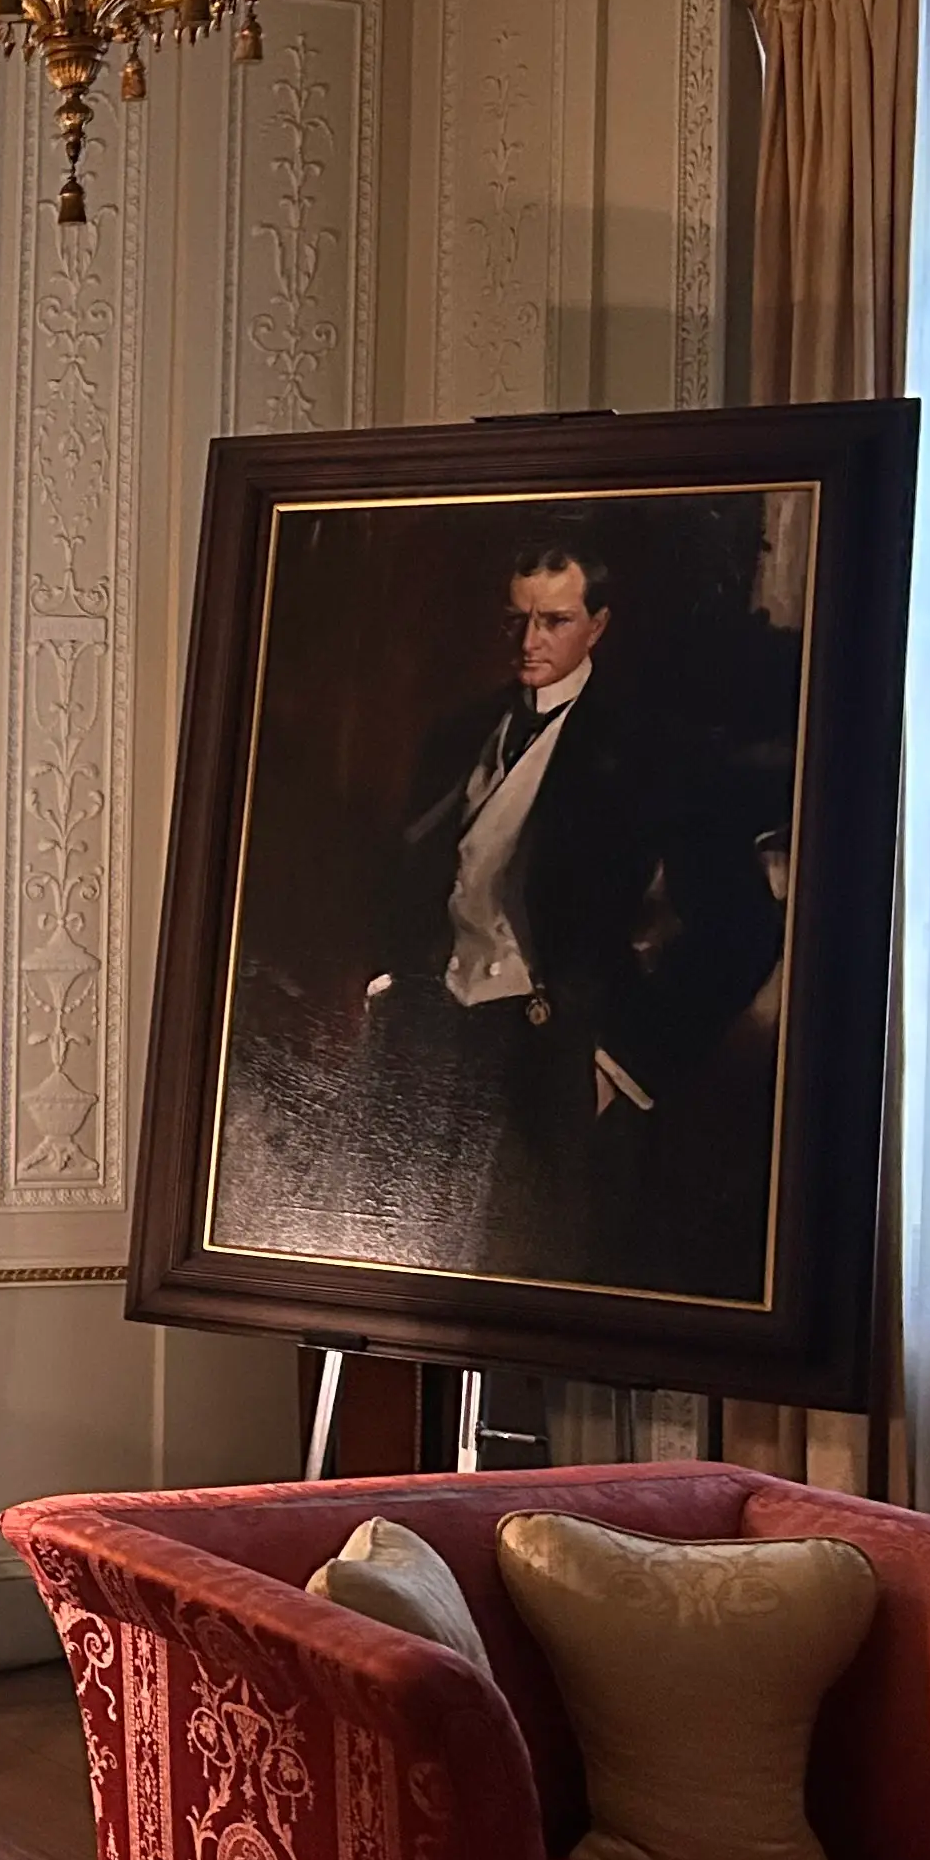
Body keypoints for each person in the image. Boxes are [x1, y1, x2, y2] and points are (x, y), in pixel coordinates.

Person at [356, 533, 784, 1295]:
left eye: (553, 620)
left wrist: (620, 1064)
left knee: (539, 1278)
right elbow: (415, 877)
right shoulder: (459, 734)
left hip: (560, 1057)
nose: (529, 641)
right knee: (412, 1279)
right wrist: (391, 978)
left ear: (598, 625)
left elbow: (742, 929)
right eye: (516, 620)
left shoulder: (653, 751)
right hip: (436, 1046)